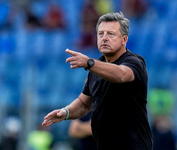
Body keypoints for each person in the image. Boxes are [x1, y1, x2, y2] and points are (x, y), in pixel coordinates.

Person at [42, 12, 153, 150]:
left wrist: (89, 63)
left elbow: (122, 75)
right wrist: (66, 112)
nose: (104, 38)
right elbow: (83, 104)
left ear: (124, 39)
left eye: (110, 34)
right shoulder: (96, 69)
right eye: (101, 34)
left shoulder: (134, 62)